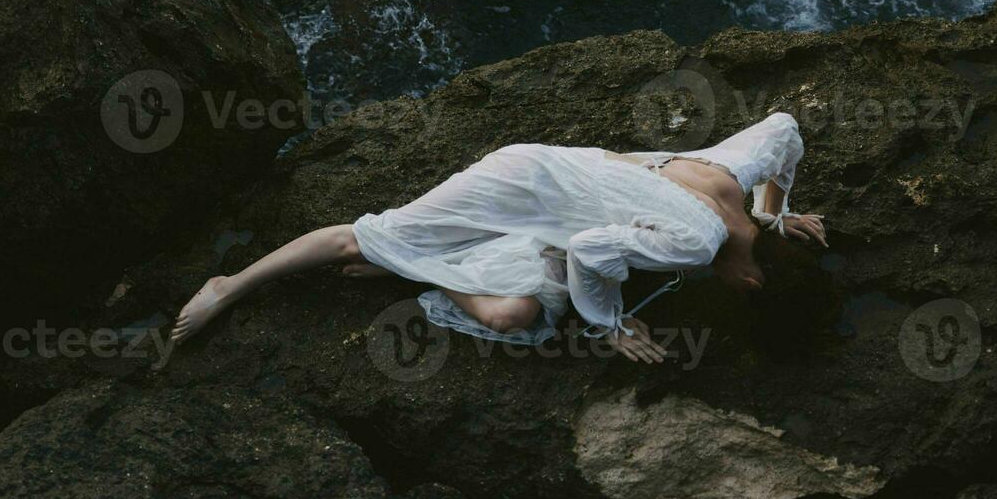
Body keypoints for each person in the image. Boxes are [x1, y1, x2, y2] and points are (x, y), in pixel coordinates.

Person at [171, 112, 826, 363]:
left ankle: (423, 266)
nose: (735, 294)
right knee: (359, 242)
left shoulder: (736, 187)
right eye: (747, 295)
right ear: (755, 277)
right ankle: (230, 287)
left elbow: (786, 128)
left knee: (511, 313)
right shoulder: (695, 245)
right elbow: (592, 251)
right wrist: (611, 325)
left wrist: (777, 209)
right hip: (523, 180)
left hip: (568, 192)